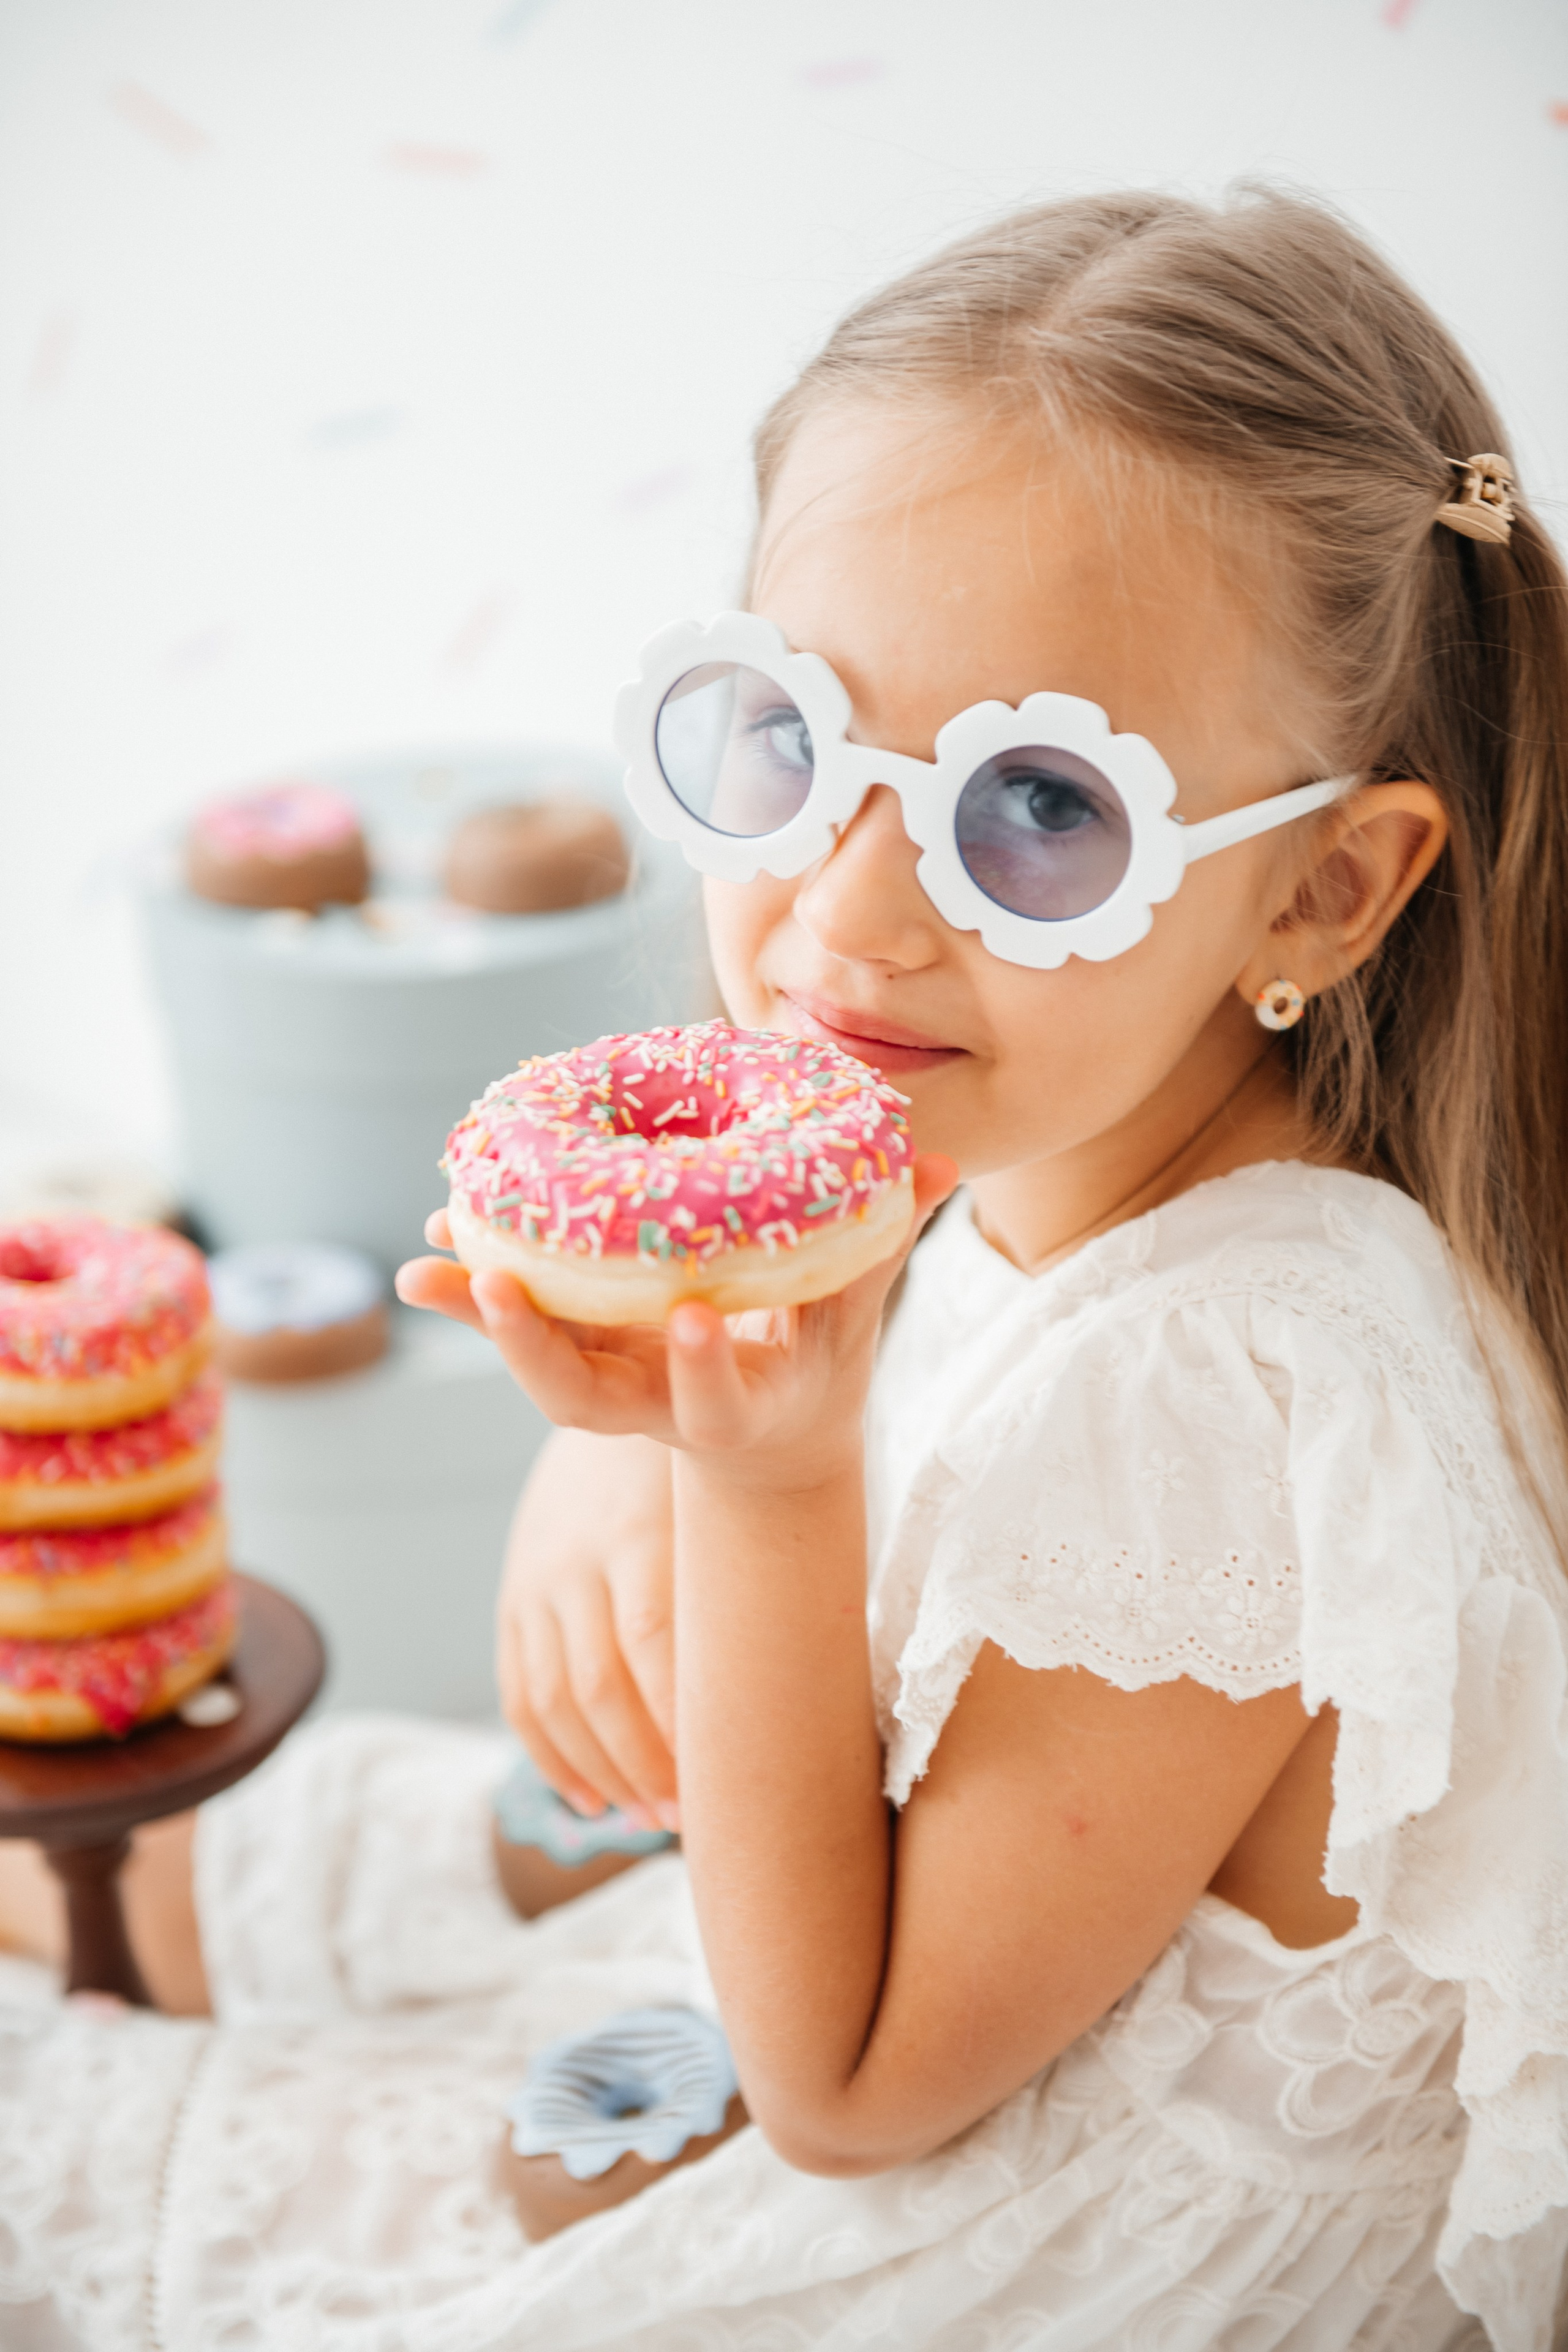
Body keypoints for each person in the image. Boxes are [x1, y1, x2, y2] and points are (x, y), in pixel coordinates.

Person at [4, 187, 1566, 2351]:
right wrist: (622, 1455)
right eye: (785, 738)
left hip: (1026, 2235)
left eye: (1037, 808)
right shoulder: (1031, 1132)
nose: (851, 915)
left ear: (1318, 892)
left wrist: (751, 1479)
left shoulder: (1232, 1384)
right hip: (842, 1940)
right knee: (289, 1830)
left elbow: (843, 2088)